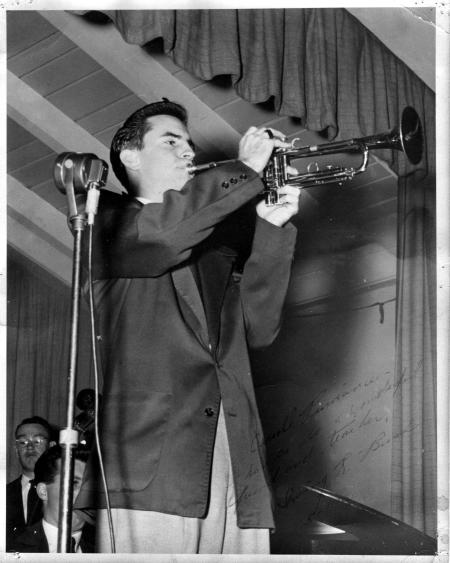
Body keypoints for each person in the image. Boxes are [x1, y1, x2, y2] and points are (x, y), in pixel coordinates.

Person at [75, 99, 301, 554]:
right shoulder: (104, 222)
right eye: (171, 140)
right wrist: (243, 170)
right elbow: (163, 235)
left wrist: (272, 230)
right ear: (130, 156)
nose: (188, 153)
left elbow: (258, 329)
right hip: (153, 467)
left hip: (234, 463)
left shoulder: (213, 251)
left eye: (189, 144)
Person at [9, 445, 94, 553]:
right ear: (43, 491)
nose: (84, 495)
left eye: (89, 486)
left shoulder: (105, 550)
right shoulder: (13, 550)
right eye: (73, 484)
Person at [6, 416, 56, 549]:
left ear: (51, 447)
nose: (29, 446)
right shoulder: (4, 494)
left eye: (37, 440)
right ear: (16, 450)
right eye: (22, 442)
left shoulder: (65, 491)